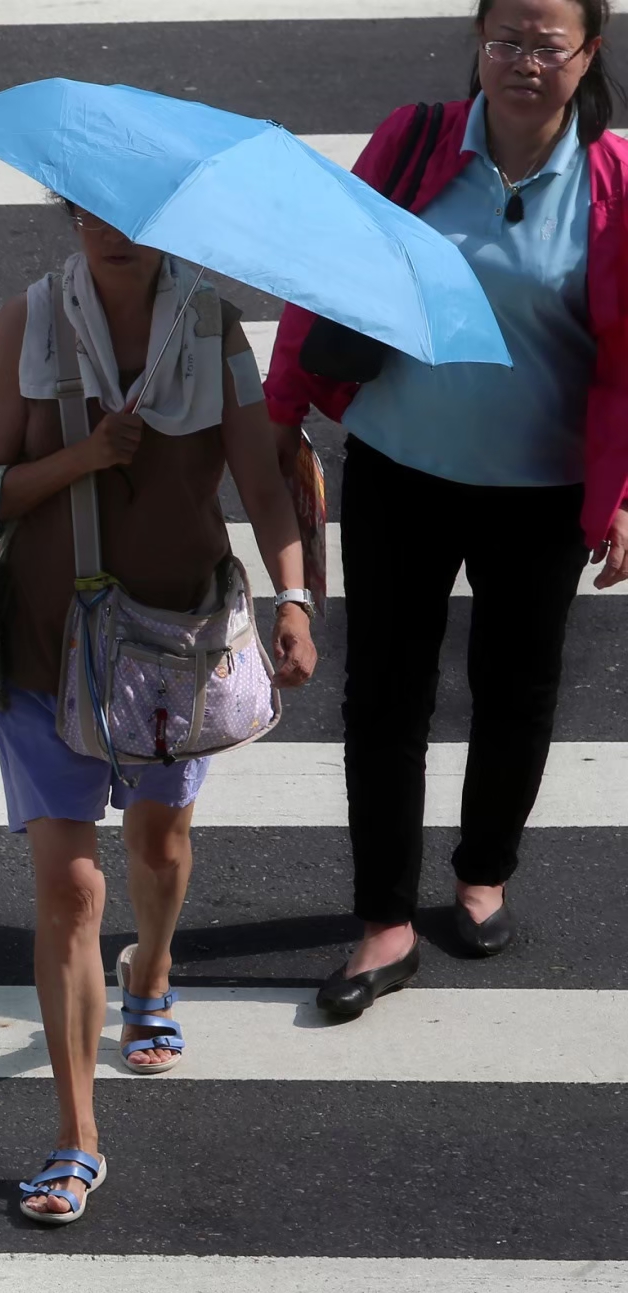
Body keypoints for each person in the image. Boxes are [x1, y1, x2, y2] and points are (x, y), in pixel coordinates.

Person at [265, 0, 628, 1021]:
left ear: (586, 54)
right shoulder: (413, 140)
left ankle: (481, 873)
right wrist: (281, 413)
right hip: (399, 467)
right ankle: (381, 920)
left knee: (514, 693)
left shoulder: (611, 184)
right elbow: (326, 279)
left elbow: (626, 358)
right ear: (476, 45)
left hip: (540, 491)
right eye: (502, 40)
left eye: (545, 43)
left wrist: (620, 491)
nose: (520, 61)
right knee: (383, 697)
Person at [0, 208, 318, 1224]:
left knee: (159, 846)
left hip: (171, 650)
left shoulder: (213, 334)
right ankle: (75, 1140)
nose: (114, 230)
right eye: (94, 209)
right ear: (68, 213)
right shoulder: (22, 324)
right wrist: (84, 456)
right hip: (42, 647)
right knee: (70, 890)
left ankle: (150, 968)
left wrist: (292, 599)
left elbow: (260, 479)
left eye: (137, 212)